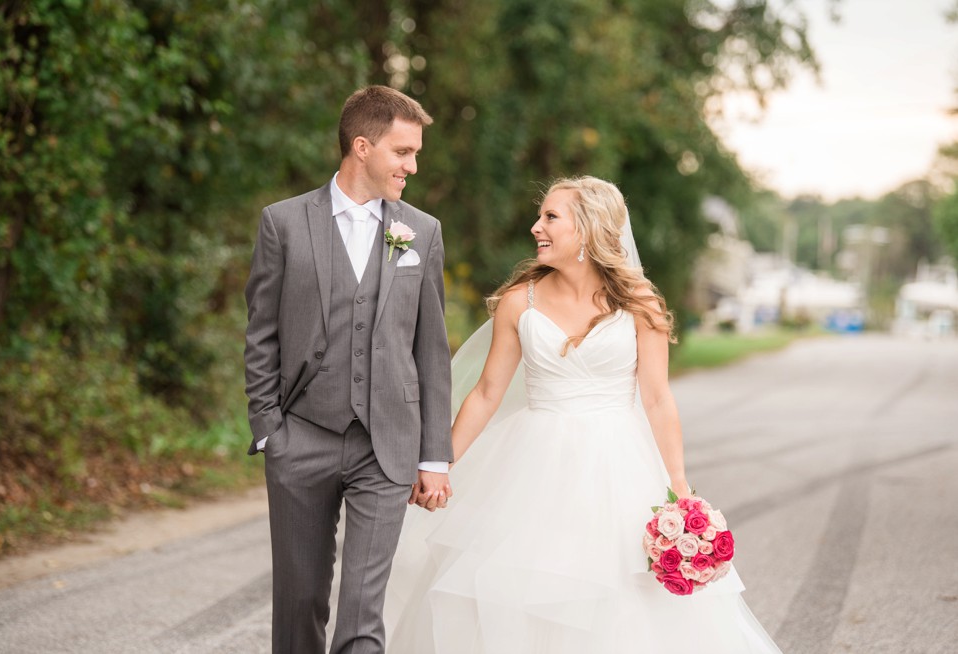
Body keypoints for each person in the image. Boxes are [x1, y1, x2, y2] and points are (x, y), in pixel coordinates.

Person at [385, 176, 782, 652]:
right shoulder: (519, 301)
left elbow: (656, 399)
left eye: (551, 217)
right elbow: (487, 392)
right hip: (530, 466)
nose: (537, 227)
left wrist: (679, 487)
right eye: (540, 215)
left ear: (590, 229)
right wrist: (441, 464)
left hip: (619, 467)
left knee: (620, 598)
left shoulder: (639, 305)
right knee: (519, 587)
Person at [243, 85, 454, 654]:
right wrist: (269, 432)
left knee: (361, 614)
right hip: (301, 437)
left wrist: (433, 456)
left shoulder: (422, 231)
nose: (412, 166)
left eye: (414, 154)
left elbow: (431, 350)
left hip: (386, 444)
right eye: (402, 152)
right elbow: (261, 333)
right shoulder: (283, 223)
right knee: (300, 603)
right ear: (362, 146)